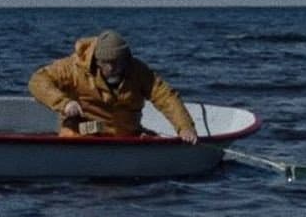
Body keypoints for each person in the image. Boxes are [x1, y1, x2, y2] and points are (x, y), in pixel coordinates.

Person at [28, 29, 199, 143]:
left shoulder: (138, 71)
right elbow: (38, 80)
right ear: (97, 61)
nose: (114, 68)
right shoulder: (73, 68)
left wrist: (185, 127)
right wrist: (64, 103)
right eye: (108, 63)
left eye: (120, 62)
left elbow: (165, 96)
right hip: (80, 137)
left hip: (126, 137)